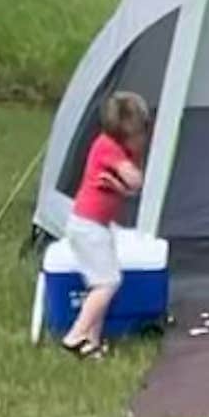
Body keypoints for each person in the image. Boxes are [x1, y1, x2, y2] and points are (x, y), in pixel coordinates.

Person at [60, 88, 151, 357]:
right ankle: (75, 335)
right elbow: (135, 180)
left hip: (98, 226)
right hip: (87, 226)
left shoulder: (122, 152)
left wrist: (118, 187)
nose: (143, 141)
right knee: (108, 283)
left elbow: (133, 189)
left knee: (99, 282)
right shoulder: (107, 148)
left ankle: (92, 342)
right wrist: (125, 180)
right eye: (139, 136)